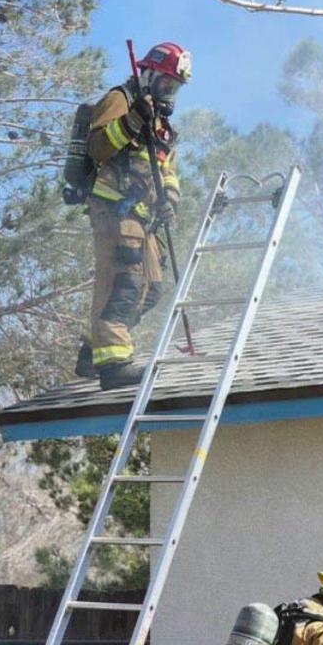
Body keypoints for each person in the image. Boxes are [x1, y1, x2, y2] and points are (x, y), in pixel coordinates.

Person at [75, 41, 191, 390]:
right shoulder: (120, 101)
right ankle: (113, 366)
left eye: (174, 87)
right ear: (148, 74)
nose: (169, 92)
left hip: (145, 217)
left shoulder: (161, 122)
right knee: (123, 283)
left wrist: (169, 199)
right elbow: (98, 148)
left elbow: (168, 168)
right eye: (165, 83)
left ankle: (92, 352)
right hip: (114, 208)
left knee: (151, 289)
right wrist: (132, 120)